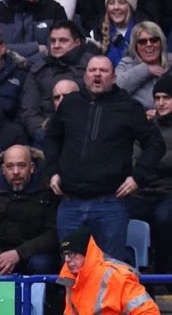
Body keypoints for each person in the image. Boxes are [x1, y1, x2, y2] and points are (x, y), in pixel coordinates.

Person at [44, 55, 165, 259]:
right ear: (85, 76)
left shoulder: (129, 107)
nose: (97, 74)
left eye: (103, 71)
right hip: (70, 202)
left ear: (114, 77)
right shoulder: (70, 103)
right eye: (93, 70)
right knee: (72, 270)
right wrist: (53, 172)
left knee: (110, 270)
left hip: (110, 203)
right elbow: (52, 138)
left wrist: (138, 177)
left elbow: (155, 144)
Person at [0, 144, 59, 276]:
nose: (15, 172)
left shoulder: (48, 190)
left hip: (31, 254)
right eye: (10, 166)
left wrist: (19, 253)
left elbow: (53, 233)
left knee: (42, 264)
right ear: (3, 169)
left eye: (21, 165)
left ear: (31, 168)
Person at [58, 226, 162, 315]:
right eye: (64, 255)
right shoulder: (71, 280)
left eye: (72, 254)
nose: (67, 259)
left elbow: (147, 313)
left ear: (87, 254)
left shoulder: (114, 276)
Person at [127, 75, 172, 274]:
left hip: (168, 192)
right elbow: (135, 159)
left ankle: (164, 276)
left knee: (164, 219)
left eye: (167, 98)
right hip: (142, 191)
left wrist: (151, 160)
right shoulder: (146, 126)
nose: (161, 103)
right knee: (120, 215)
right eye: (158, 98)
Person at [19, 20, 91, 144]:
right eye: (53, 41)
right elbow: (29, 110)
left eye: (63, 40)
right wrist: (40, 133)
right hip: (48, 133)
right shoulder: (39, 69)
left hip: (86, 134)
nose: (56, 45)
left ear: (77, 42)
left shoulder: (92, 65)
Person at [85, 0, 143, 66]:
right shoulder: (97, 31)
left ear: (131, 6)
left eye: (122, 2)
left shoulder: (144, 31)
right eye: (111, 3)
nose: (116, 7)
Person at [115, 21, 168, 115]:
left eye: (154, 40)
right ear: (135, 47)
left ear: (161, 43)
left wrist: (160, 114)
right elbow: (116, 89)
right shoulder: (126, 64)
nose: (148, 44)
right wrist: (145, 70)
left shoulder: (170, 63)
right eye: (142, 42)